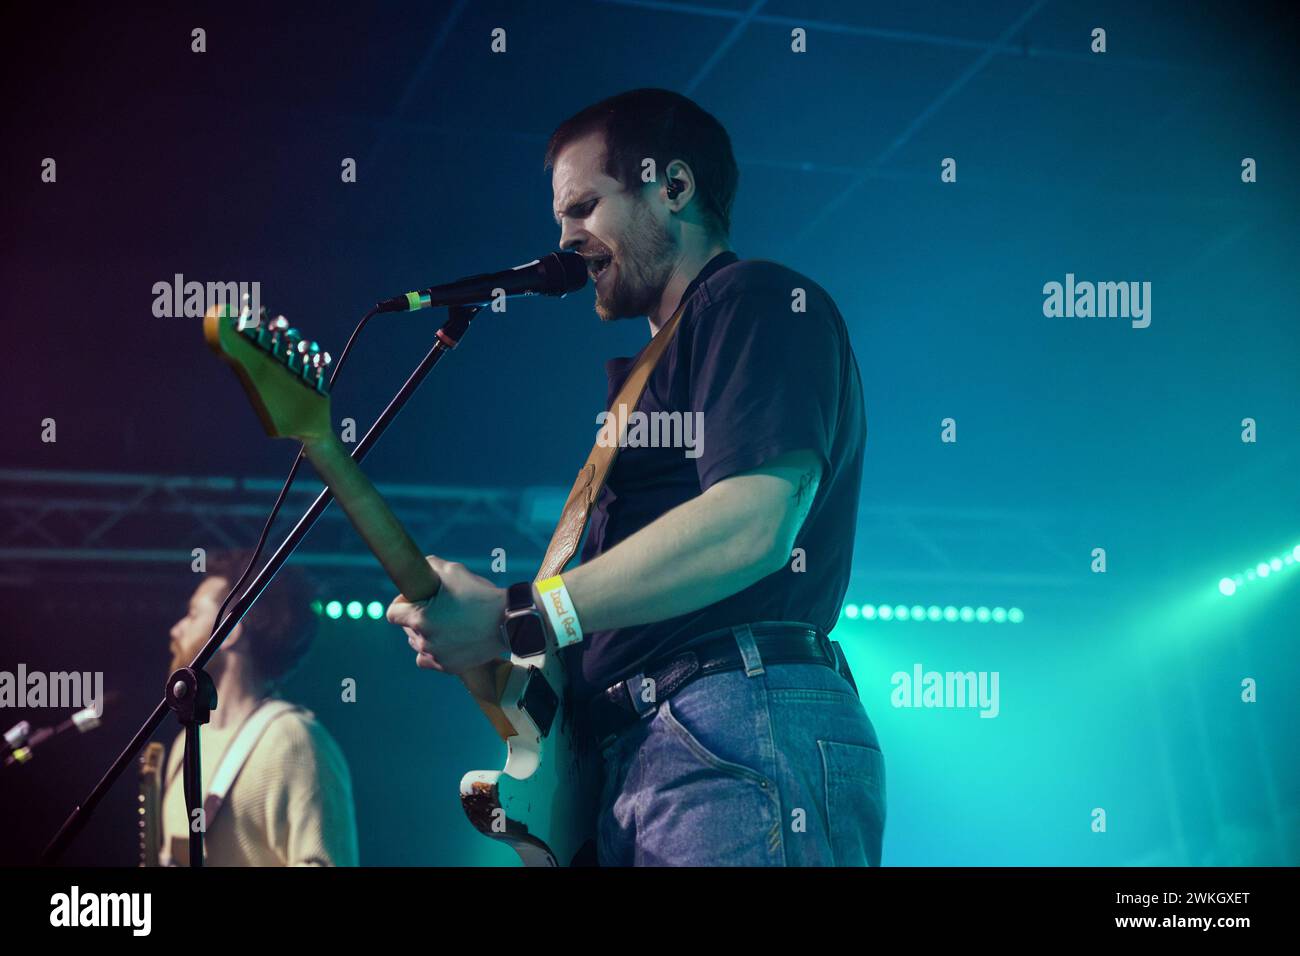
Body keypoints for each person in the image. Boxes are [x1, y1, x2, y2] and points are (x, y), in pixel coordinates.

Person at [386, 88, 883, 866]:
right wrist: (486, 637)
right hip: (652, 748)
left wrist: (519, 614)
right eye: (559, 218)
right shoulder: (650, 373)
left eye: (584, 206)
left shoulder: (755, 299)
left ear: (673, 188)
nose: (565, 239)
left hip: (729, 722)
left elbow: (753, 524)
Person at [161, 550, 358, 866]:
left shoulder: (295, 740)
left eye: (194, 614)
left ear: (231, 631)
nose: (176, 629)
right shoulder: (187, 743)